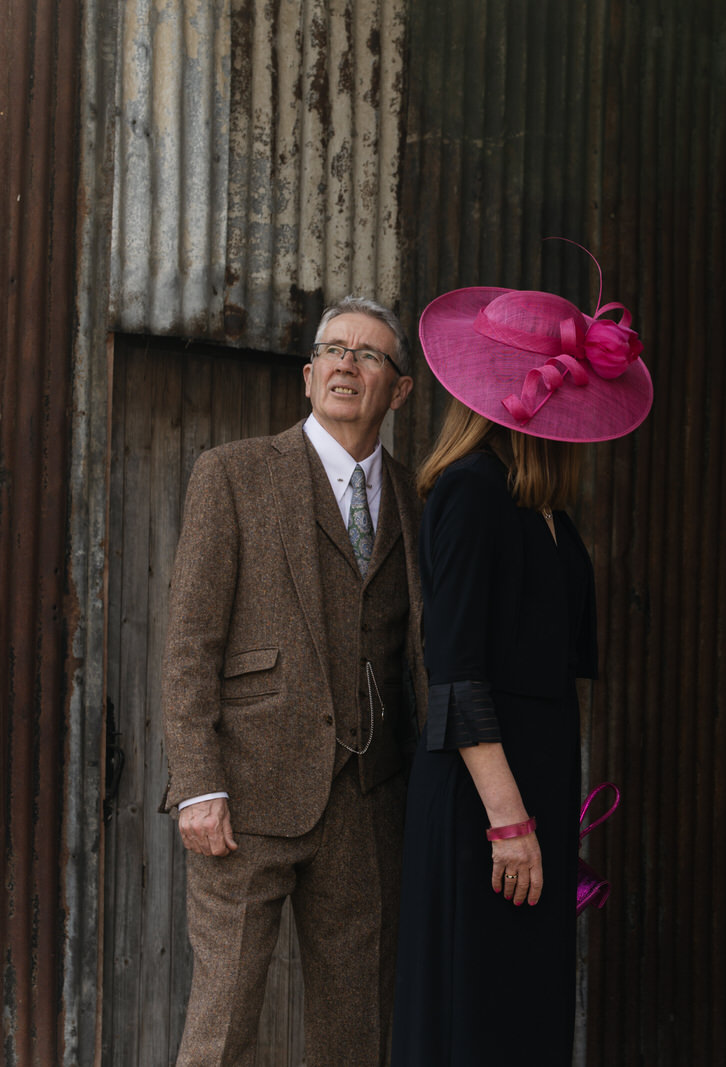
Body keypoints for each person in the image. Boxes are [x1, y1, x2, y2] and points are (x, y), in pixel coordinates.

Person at [391, 272, 651, 1064]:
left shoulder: (549, 512)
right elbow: (457, 672)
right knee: (475, 1008)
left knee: (527, 1006)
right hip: (484, 799)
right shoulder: (469, 494)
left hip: (536, 786)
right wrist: (510, 821)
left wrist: (542, 812)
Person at [161, 296, 425, 1065]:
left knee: (358, 1026)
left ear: (398, 389)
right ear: (309, 377)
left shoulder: (416, 496)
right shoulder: (234, 473)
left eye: (369, 354)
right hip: (245, 795)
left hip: (371, 799)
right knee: (223, 1020)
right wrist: (198, 782)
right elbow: (188, 644)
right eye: (333, 351)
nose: (347, 363)